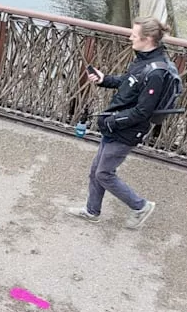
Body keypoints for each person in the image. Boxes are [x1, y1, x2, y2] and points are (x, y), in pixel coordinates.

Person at [66, 17, 173, 229]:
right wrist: (105, 80)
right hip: (115, 123)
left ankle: (140, 206)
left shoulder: (156, 73)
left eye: (134, 35)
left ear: (148, 38)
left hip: (126, 130)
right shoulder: (143, 60)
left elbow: (143, 111)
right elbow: (128, 84)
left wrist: (113, 121)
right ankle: (91, 211)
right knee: (97, 169)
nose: (130, 37)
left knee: (104, 173)